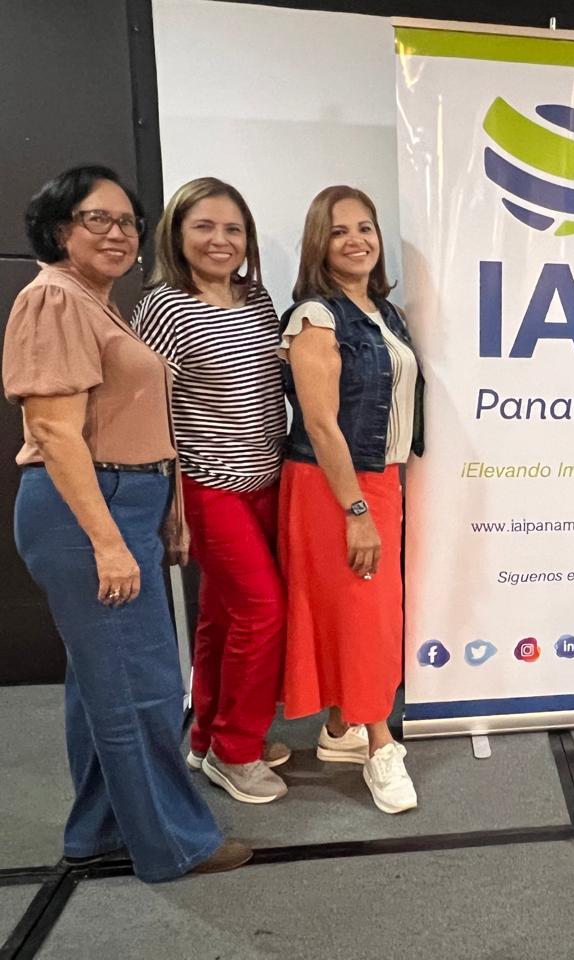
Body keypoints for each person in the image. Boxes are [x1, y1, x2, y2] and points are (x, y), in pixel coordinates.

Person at [3, 165, 249, 879]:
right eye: (96, 219)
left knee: (101, 684)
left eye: (127, 222)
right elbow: (56, 432)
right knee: (142, 688)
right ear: (59, 229)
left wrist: (163, 508)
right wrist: (108, 542)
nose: (116, 233)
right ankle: (174, 842)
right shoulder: (55, 298)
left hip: (123, 500)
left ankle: (100, 828)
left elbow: (128, 418)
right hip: (89, 510)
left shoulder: (97, 303)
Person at [132, 177, 290, 805]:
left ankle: (206, 736)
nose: (220, 240)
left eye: (233, 229)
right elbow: (147, 408)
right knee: (262, 610)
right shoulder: (165, 306)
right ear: (177, 233)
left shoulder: (257, 296)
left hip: (267, 478)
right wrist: (167, 503)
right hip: (207, 484)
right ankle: (236, 750)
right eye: (204, 226)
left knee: (223, 615)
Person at [277, 185, 423, 812]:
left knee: (364, 614)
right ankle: (380, 746)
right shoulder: (317, 317)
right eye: (339, 231)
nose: (357, 240)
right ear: (320, 242)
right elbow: (320, 423)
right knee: (365, 618)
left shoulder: (385, 313)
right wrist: (356, 509)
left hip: (380, 481)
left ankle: (341, 728)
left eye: (365, 227)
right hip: (334, 487)